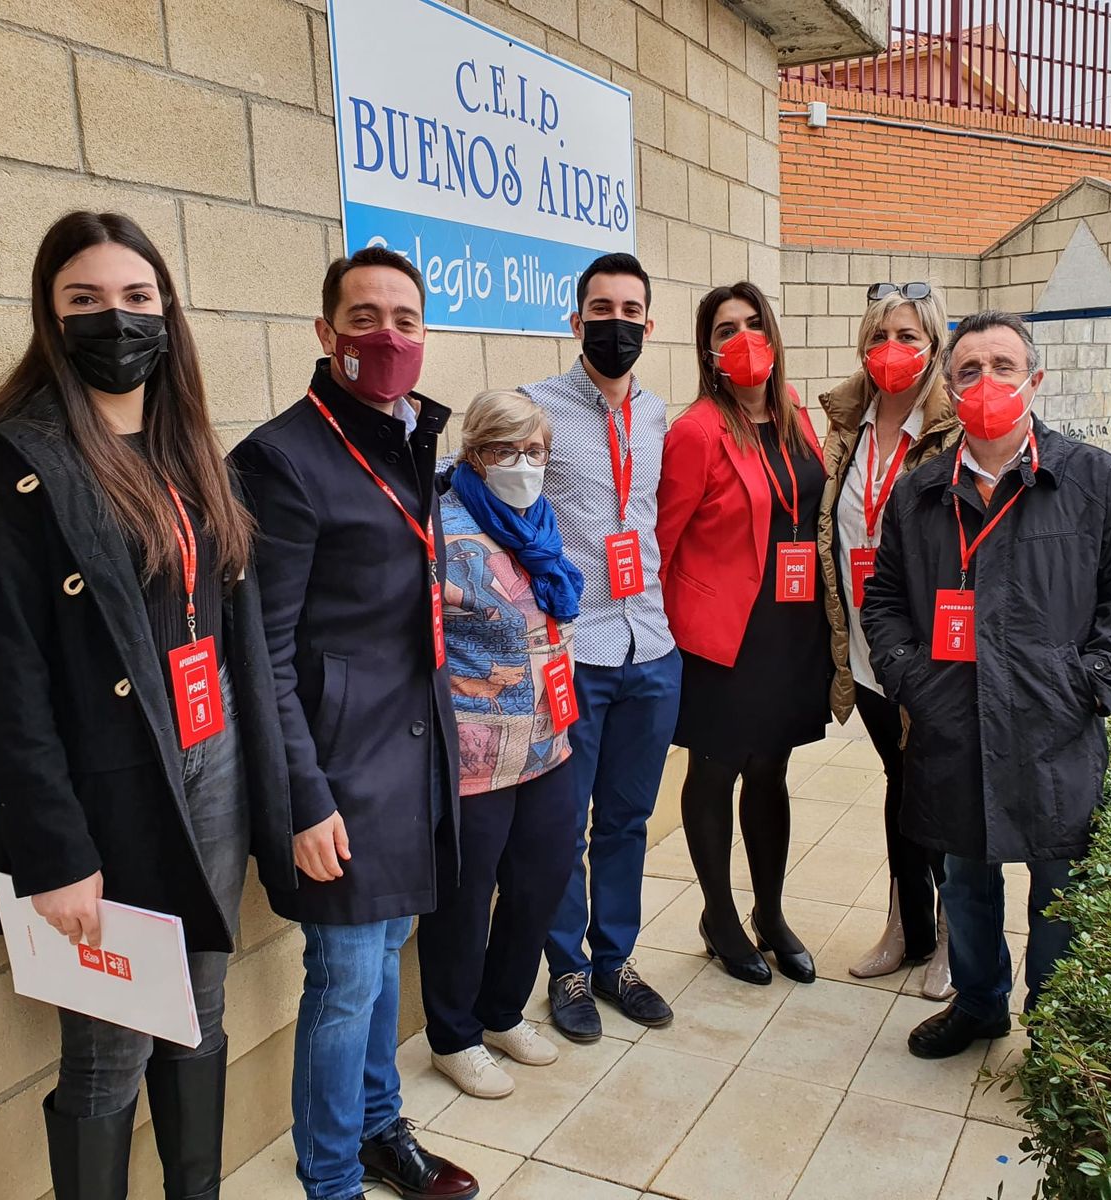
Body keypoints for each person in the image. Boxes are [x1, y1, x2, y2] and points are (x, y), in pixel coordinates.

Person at [0, 211, 295, 1200]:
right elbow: (4, 679)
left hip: (211, 759)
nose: (117, 320)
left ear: (167, 310)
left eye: (137, 298)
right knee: (110, 1048)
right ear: (50, 319)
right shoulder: (17, 462)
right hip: (108, 788)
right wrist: (56, 852)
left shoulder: (191, 447)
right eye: (85, 301)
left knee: (202, 1006)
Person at [230, 248, 477, 1200]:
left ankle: (379, 1131)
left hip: (411, 755)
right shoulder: (281, 459)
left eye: (405, 319)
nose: (387, 336)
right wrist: (304, 797)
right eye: (364, 318)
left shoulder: (409, 439)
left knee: (381, 963)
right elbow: (267, 654)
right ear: (325, 333)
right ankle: (329, 1181)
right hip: (337, 773)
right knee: (343, 982)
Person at [862, 310, 1111, 1059]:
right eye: (968, 370)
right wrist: (911, 683)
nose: (987, 382)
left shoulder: (1093, 479)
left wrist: (1091, 684)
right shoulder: (919, 493)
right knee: (965, 877)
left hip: (1054, 727)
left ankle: (1056, 1025)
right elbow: (885, 600)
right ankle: (978, 1003)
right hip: (954, 724)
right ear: (949, 387)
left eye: (1003, 366)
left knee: (1059, 884)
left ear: (1035, 380)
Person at [521, 252, 682, 1043]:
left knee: (627, 818)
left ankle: (617, 959)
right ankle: (569, 968)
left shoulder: (661, 418)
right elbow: (487, 493)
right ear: (575, 317)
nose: (615, 322)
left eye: (630, 310)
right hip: (573, 651)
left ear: (649, 325)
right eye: (600, 307)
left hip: (651, 647)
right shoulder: (536, 408)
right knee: (563, 819)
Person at [655, 282, 830, 986]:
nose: (744, 338)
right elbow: (663, 542)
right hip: (721, 635)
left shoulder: (793, 415)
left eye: (755, 324)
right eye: (726, 329)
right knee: (716, 769)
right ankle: (719, 916)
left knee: (772, 770)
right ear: (709, 351)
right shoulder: (696, 431)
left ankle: (771, 913)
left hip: (792, 626)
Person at [416, 389, 585, 1099]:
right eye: (503, 450)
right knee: (464, 894)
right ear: (474, 453)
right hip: (477, 752)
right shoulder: (441, 528)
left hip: (548, 740)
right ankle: (453, 1034)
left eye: (535, 451)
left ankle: (502, 1011)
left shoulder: (538, 521)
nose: (522, 464)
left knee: (542, 876)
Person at [816, 283, 963, 994]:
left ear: (932, 345)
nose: (892, 351)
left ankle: (951, 937)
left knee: (936, 787)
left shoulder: (952, 431)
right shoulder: (848, 425)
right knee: (900, 783)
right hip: (868, 655)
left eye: (908, 337)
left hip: (929, 652)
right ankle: (906, 926)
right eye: (880, 336)